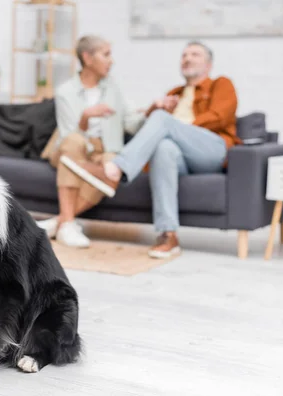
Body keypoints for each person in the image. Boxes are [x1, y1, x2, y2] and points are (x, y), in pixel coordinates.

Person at [60, 41, 240, 259]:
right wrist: (156, 110)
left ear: (209, 65)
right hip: (180, 155)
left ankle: (118, 167)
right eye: (184, 55)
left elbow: (220, 117)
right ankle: (168, 234)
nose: (187, 58)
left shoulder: (221, 84)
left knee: (163, 122)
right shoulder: (174, 93)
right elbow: (152, 131)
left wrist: (172, 126)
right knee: (163, 148)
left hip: (212, 149)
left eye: (195, 54)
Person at [37, 35, 145, 248]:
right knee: (74, 144)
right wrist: (86, 117)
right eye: (106, 54)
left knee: (114, 165)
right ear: (87, 58)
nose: (111, 60)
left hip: (102, 150)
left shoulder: (112, 88)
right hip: (70, 149)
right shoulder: (66, 91)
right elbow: (70, 135)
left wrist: (153, 110)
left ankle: (61, 222)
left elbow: (130, 122)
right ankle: (68, 223)